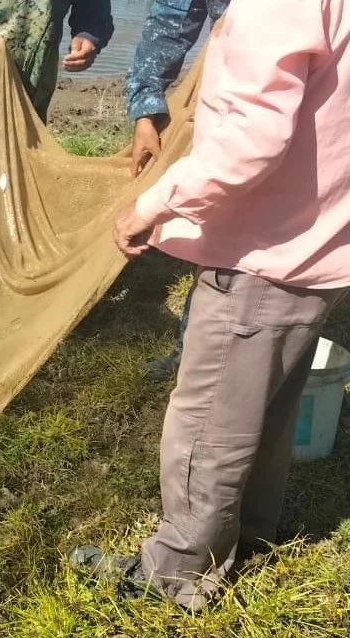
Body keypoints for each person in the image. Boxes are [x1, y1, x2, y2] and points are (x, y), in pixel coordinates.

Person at [77, 0, 350, 610]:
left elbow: (251, 141)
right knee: (263, 408)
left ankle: (175, 573)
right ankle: (248, 535)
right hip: (318, 243)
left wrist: (153, 204)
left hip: (262, 251)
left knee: (208, 424)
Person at [125, 0, 229, 382]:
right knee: (225, 236)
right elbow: (171, 18)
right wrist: (146, 110)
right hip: (239, 107)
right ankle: (193, 353)